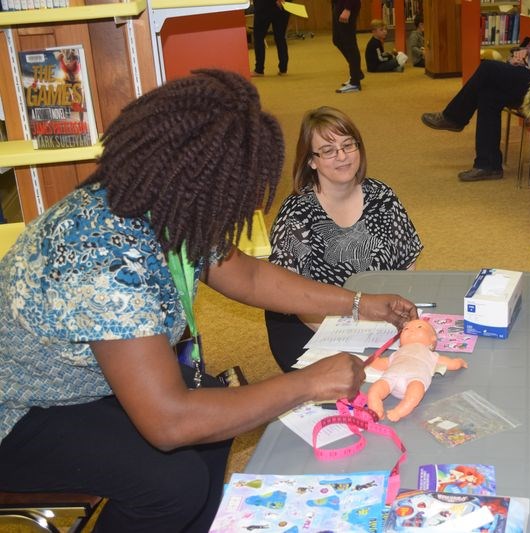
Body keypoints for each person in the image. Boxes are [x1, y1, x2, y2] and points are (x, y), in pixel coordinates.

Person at [0, 70, 418, 532]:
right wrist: (308, 383)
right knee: (171, 483)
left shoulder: (167, 204)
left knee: (216, 413)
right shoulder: (104, 256)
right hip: (16, 409)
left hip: (76, 377)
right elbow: (170, 422)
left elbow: (251, 274)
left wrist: (359, 303)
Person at [266, 106, 422, 373]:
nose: (342, 156)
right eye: (328, 150)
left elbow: (407, 268)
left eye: (348, 145)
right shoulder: (297, 212)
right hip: (309, 323)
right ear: (311, 161)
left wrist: (393, 319)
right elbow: (293, 296)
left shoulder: (382, 196)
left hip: (376, 320)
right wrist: (348, 343)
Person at [420, 0, 530, 182]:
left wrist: (528, 59)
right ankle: (487, 165)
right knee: (489, 92)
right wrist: (524, 52)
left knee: (488, 69)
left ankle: (454, 117)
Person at [367, 319, 467, 421]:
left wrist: (459, 362)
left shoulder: (431, 355)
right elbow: (382, 363)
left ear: (432, 339)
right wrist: (372, 360)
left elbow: (451, 364)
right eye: (406, 329)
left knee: (416, 391)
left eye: (419, 327)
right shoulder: (396, 354)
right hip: (391, 376)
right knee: (374, 390)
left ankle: (399, 411)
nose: (410, 330)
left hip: (415, 378)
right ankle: (376, 410)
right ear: (400, 344)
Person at [252, 0, 290, 76]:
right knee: (280, 38)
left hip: (264, 6)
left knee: (258, 37)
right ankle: (283, 69)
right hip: (282, 6)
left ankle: (259, 69)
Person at [332, 0, 363, 93]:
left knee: (350, 43)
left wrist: (348, 8)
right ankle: (356, 72)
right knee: (337, 40)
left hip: (347, 4)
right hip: (338, 4)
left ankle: (355, 82)